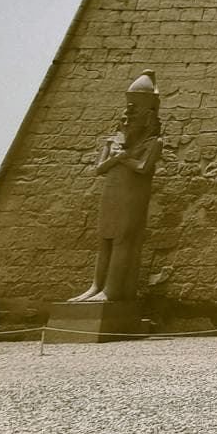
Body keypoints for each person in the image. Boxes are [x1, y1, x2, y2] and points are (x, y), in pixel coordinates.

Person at [68, 72, 162, 303]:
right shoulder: (113, 141)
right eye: (127, 110)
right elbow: (100, 168)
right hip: (112, 193)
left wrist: (122, 158)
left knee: (122, 239)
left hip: (131, 195)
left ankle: (111, 289)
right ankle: (95, 286)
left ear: (148, 117)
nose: (128, 114)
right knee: (105, 239)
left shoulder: (153, 142)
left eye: (134, 110)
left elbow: (142, 168)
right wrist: (119, 158)